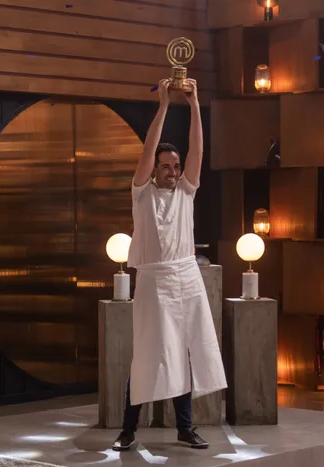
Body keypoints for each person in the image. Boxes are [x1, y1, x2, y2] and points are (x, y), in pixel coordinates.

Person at [112, 78, 227, 452]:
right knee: (147, 353)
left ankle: (185, 427)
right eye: (166, 167)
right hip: (154, 280)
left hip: (186, 276)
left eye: (176, 167)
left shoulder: (187, 191)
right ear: (155, 169)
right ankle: (128, 429)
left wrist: (194, 104)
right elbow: (147, 151)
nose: (173, 172)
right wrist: (163, 105)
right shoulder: (142, 193)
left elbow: (198, 150)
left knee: (186, 351)